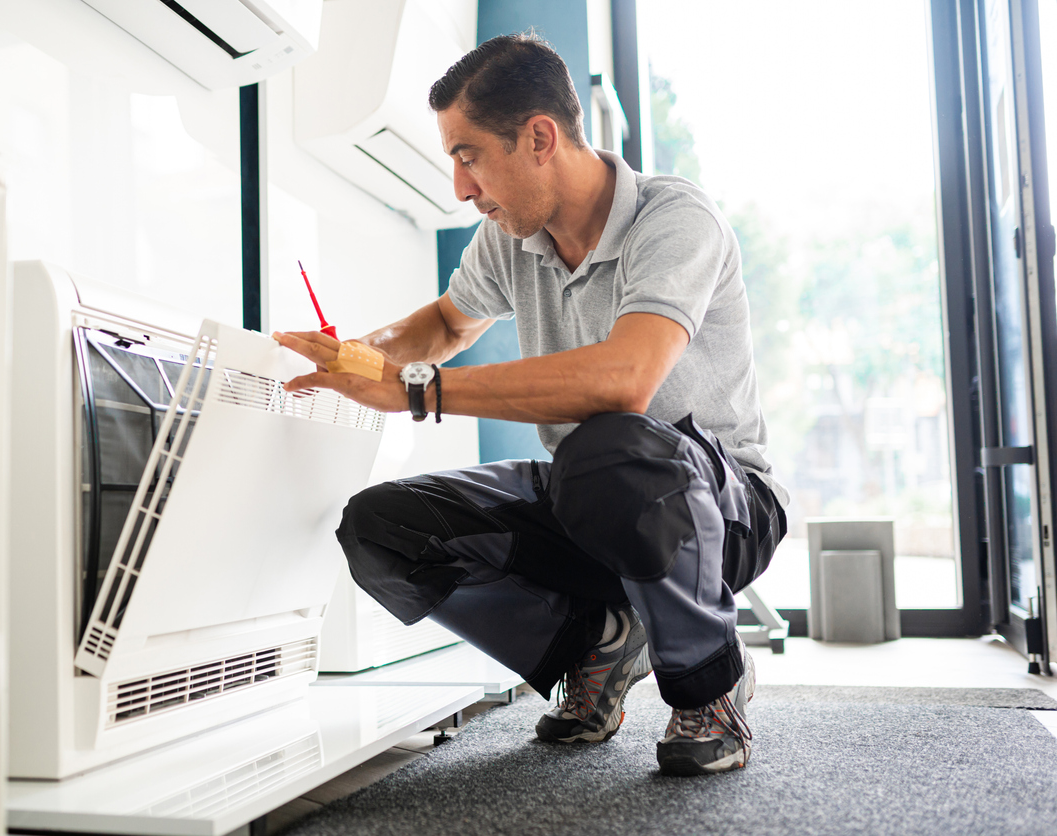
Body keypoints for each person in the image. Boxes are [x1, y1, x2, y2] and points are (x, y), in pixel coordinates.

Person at [273, 32, 787, 776]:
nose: (460, 187)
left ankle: (711, 683)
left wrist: (415, 391)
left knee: (608, 445)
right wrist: (356, 357)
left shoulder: (675, 221)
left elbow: (626, 382)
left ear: (539, 138)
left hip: (721, 502)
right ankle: (598, 645)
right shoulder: (508, 240)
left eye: (468, 155)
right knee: (384, 528)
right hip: (596, 490)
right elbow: (447, 323)